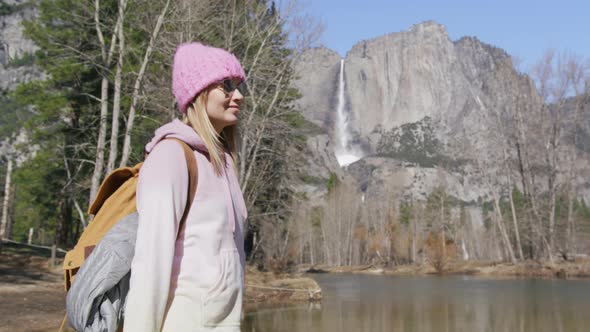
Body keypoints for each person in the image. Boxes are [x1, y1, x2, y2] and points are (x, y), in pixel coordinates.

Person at [123, 42, 248, 331]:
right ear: (199, 91)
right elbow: (150, 264)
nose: (238, 96)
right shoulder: (171, 156)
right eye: (227, 85)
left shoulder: (224, 163)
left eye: (240, 85)